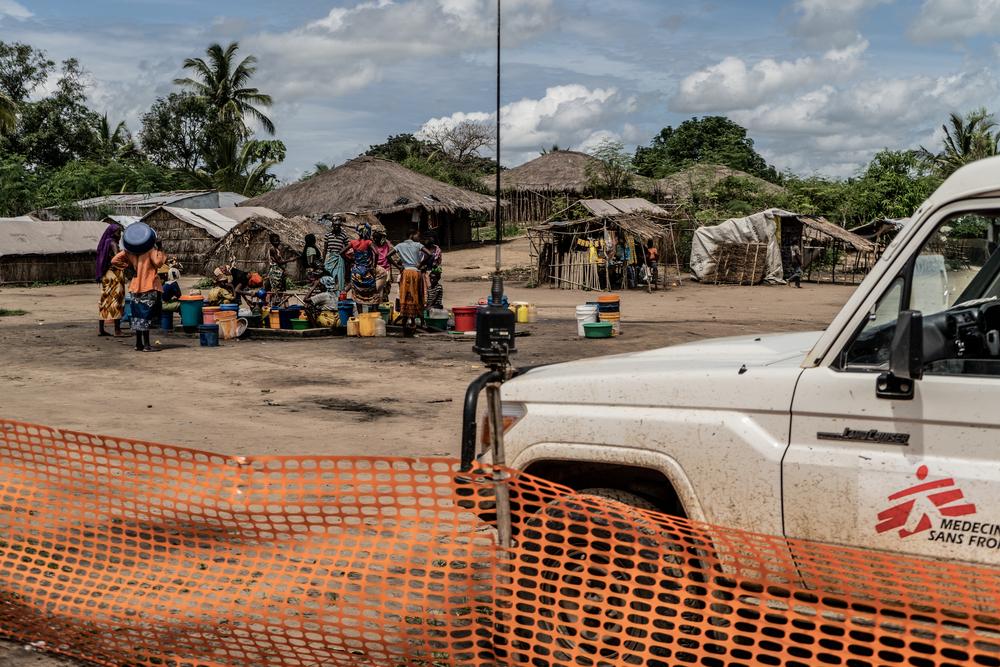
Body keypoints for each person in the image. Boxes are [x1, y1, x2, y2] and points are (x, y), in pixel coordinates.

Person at [112, 235, 166, 352]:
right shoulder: (150, 250)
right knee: (145, 316)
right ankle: (146, 345)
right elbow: (158, 263)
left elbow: (114, 260)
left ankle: (138, 344)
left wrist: (127, 267)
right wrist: (160, 248)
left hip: (135, 287)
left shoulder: (129, 252)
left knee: (137, 316)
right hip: (148, 286)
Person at [345, 223, 388, 312]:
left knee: (357, 294)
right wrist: (373, 265)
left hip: (356, 271)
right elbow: (376, 253)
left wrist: (351, 261)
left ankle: (360, 315)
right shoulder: (368, 242)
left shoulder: (353, 242)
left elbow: (342, 252)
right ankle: (374, 314)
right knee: (374, 293)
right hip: (367, 270)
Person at [390, 228, 426, 332]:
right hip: (416, 273)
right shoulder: (418, 245)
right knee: (417, 296)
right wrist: (421, 264)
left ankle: (406, 323)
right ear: (412, 235)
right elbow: (429, 254)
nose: (418, 238)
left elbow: (388, 256)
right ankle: (415, 322)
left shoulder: (400, 246)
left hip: (405, 273)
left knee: (406, 296)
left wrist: (398, 266)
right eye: (417, 235)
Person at [95, 223, 126, 337]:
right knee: (116, 301)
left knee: (104, 300)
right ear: (113, 233)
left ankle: (101, 330)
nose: (120, 235)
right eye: (118, 233)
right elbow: (117, 258)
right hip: (114, 275)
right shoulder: (112, 243)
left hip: (106, 275)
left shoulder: (105, 242)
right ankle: (117, 330)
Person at [266, 234, 296, 306]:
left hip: (279, 272)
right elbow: (279, 262)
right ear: (271, 241)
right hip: (275, 273)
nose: (277, 242)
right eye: (275, 241)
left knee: (281, 289)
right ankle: (275, 307)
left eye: (278, 240)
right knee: (276, 290)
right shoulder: (272, 249)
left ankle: (280, 306)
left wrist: (283, 270)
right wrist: (290, 260)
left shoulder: (277, 250)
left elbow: (279, 263)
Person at [323, 215, 350, 293]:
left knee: (339, 277)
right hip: (330, 257)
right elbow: (325, 249)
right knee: (328, 275)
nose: (336, 227)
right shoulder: (328, 235)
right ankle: (328, 293)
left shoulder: (344, 235)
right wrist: (323, 260)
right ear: (332, 225)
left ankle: (339, 294)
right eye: (335, 225)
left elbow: (347, 247)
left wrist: (344, 255)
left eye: (338, 225)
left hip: (339, 258)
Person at [372, 228, 395, 303]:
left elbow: (389, 258)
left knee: (386, 288)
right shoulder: (372, 245)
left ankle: (383, 303)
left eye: (377, 238)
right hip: (376, 268)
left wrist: (390, 273)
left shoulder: (386, 244)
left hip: (386, 268)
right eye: (374, 238)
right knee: (376, 288)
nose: (375, 239)